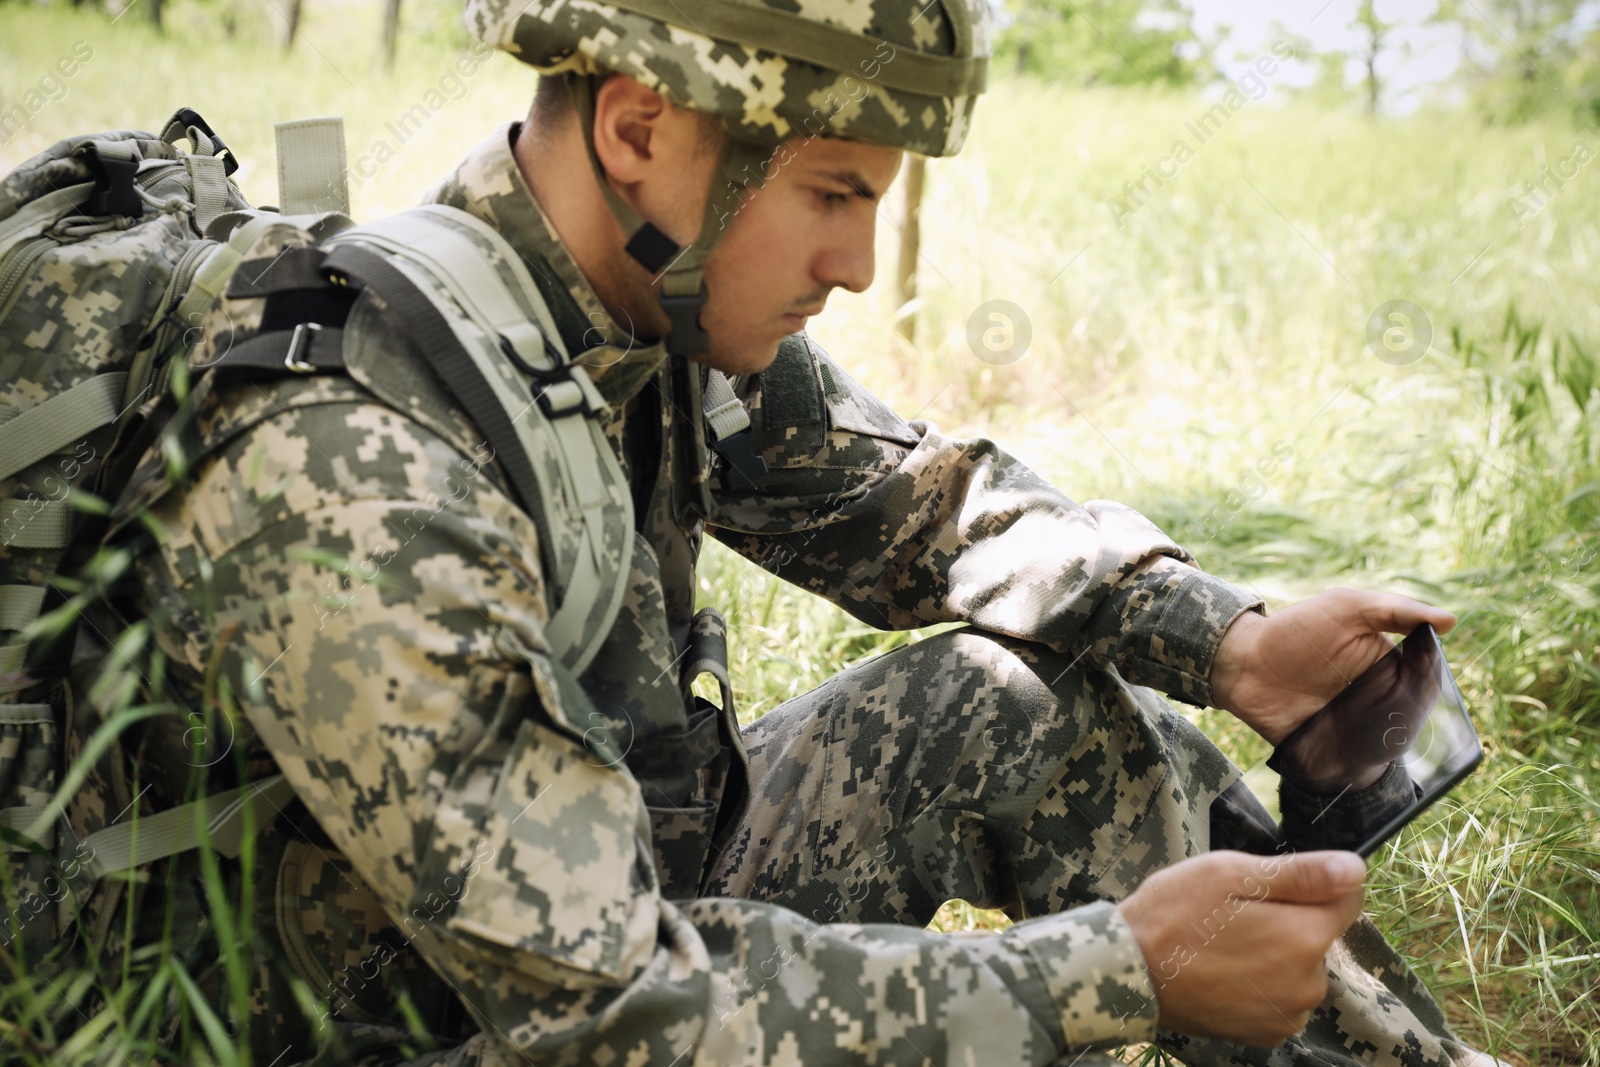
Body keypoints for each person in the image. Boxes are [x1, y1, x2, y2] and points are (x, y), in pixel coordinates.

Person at [114, 0, 1504, 1063]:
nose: (853, 265)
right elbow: (608, 1014)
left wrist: (1236, 642)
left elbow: (923, 506)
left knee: (1011, 701)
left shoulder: (630, 318)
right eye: (833, 195)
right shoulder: (359, 460)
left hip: (567, 927)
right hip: (427, 1021)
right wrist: (1113, 974)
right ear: (642, 128)